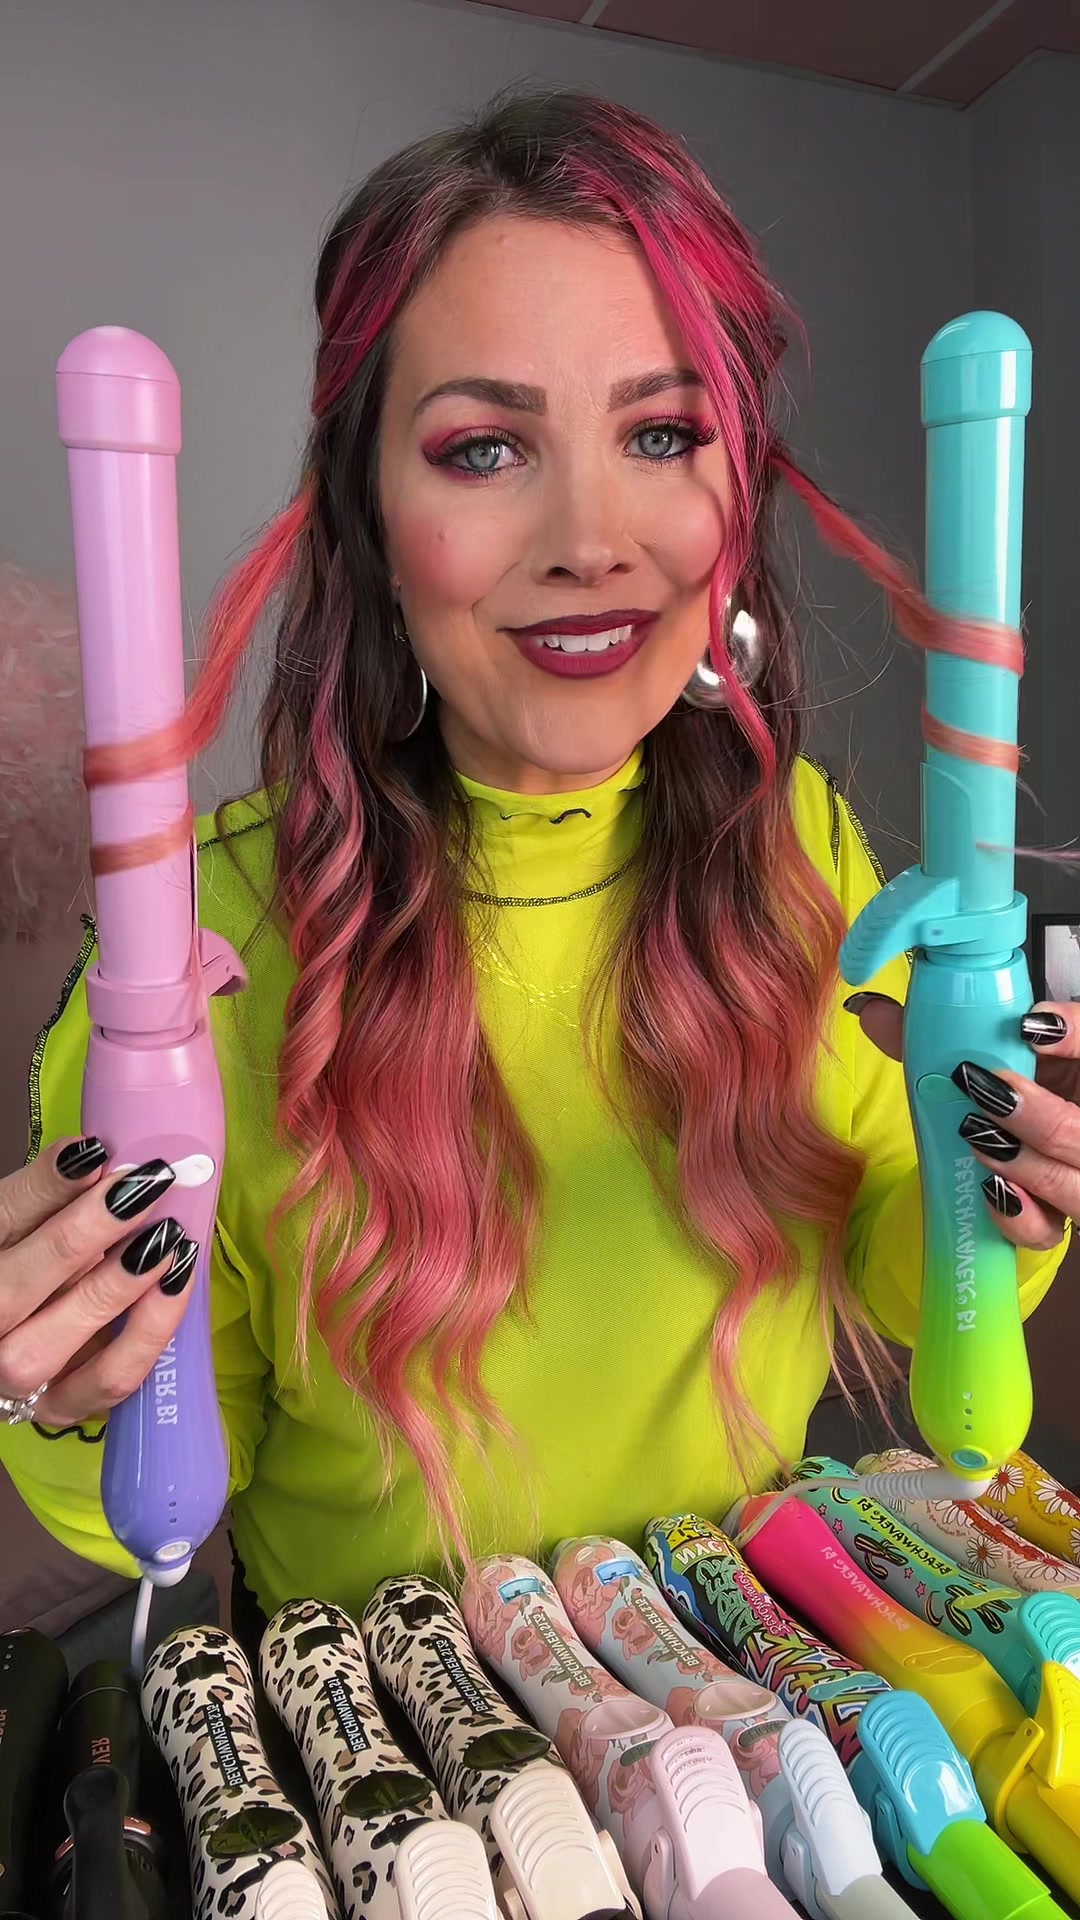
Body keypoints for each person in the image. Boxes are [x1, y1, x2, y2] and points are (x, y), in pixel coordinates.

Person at [0, 90, 1075, 1643]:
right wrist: (69, 1381)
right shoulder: (201, 938)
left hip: (751, 1676)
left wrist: (1000, 1203)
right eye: (486, 447)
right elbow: (153, 1491)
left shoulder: (802, 846)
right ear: (374, 519)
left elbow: (897, 1254)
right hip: (395, 1729)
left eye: (661, 434)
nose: (591, 537)